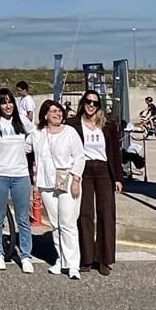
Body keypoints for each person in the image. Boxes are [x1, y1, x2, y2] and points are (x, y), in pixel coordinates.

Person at [68, 90, 123, 276]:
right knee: (85, 213)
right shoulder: (73, 124)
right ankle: (87, 257)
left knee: (106, 213)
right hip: (83, 170)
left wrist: (118, 178)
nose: (91, 105)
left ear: (99, 106)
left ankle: (104, 259)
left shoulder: (107, 125)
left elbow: (115, 153)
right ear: (83, 103)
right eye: (88, 101)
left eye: (95, 103)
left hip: (103, 170)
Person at [33, 99, 85, 279]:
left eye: (59, 111)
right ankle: (61, 259)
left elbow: (80, 157)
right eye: (53, 111)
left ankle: (73, 264)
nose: (58, 114)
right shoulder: (37, 133)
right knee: (55, 224)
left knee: (68, 223)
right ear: (45, 115)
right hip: (46, 182)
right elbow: (23, 147)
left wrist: (76, 179)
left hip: (67, 180)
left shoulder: (70, 132)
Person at [0, 89, 36, 273]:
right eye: (3, 102)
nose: (7, 106)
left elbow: (35, 134)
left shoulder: (22, 120)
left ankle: (26, 255)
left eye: (10, 102)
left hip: (20, 174)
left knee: (23, 217)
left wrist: (27, 148)